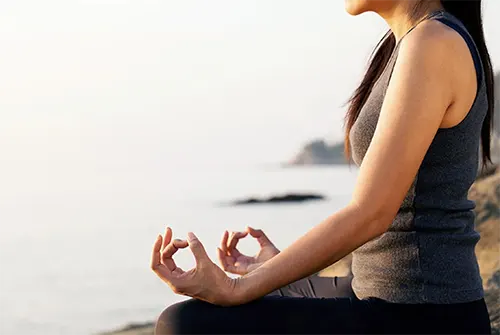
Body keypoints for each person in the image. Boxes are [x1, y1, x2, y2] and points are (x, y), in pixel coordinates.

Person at [150, 0, 495, 334]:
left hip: (423, 314)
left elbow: (371, 213)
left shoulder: (433, 42)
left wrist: (237, 287)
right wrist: (276, 270)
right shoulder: (407, 43)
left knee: (182, 325)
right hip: (383, 291)